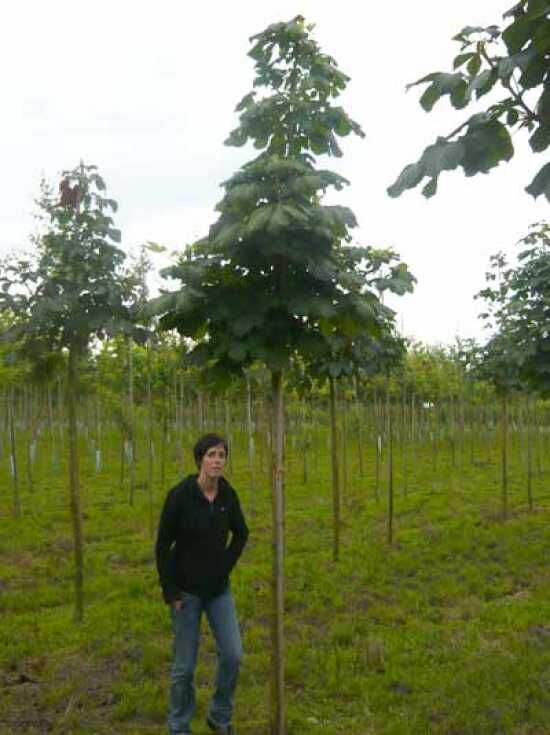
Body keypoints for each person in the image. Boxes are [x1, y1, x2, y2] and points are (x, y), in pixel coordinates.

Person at [155, 433, 249, 735]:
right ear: (200, 460)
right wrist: (170, 591)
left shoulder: (227, 496)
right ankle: (179, 726)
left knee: (233, 655)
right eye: (211, 455)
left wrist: (225, 564)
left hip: (218, 591)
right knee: (184, 668)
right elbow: (163, 545)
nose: (217, 461)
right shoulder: (180, 496)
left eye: (222, 455)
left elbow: (242, 533)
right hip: (186, 593)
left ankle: (219, 716)